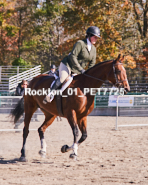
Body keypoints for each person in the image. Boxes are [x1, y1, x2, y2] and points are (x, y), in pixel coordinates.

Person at [43, 26, 100, 103]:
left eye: (97, 37)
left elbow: (92, 64)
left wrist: (89, 74)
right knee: (63, 78)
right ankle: (50, 94)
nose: (96, 39)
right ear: (89, 36)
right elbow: (73, 56)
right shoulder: (80, 43)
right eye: (95, 37)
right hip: (67, 65)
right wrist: (81, 69)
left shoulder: (94, 49)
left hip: (78, 71)